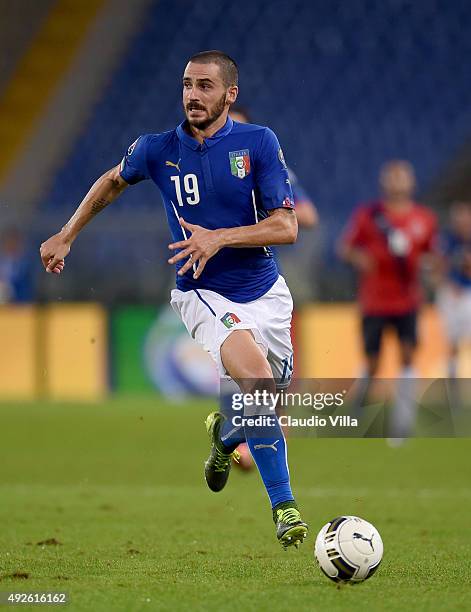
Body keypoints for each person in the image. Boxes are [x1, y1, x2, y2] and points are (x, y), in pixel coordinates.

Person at [39, 50, 308, 549]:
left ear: (231, 95)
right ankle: (285, 508)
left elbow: (286, 226)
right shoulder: (156, 149)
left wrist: (219, 236)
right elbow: (111, 181)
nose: (193, 95)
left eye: (206, 86)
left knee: (265, 401)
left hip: (268, 294)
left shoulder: (259, 143)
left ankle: (225, 439)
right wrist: (66, 233)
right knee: (259, 385)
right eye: (187, 85)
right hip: (202, 291)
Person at [229, 105, 317, 469]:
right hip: (218, 284)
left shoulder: (268, 166)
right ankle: (249, 441)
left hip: (262, 283)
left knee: (277, 368)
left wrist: (269, 209)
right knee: (240, 365)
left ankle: (269, 435)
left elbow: (307, 217)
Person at [338, 160, 437, 438]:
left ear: (411, 182)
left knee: (407, 356)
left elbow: (432, 256)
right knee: (372, 362)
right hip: (375, 301)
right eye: (392, 177)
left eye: (401, 177)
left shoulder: (424, 219)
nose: (397, 182)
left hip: (408, 301)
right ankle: (357, 419)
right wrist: (360, 258)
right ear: (384, 183)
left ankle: (401, 427)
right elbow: (345, 249)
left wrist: (429, 267)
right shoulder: (368, 216)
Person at [437, 201, 471, 379]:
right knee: (452, 342)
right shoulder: (447, 241)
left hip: (468, 294)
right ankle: (452, 381)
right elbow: (439, 265)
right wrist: (448, 283)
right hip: (451, 295)